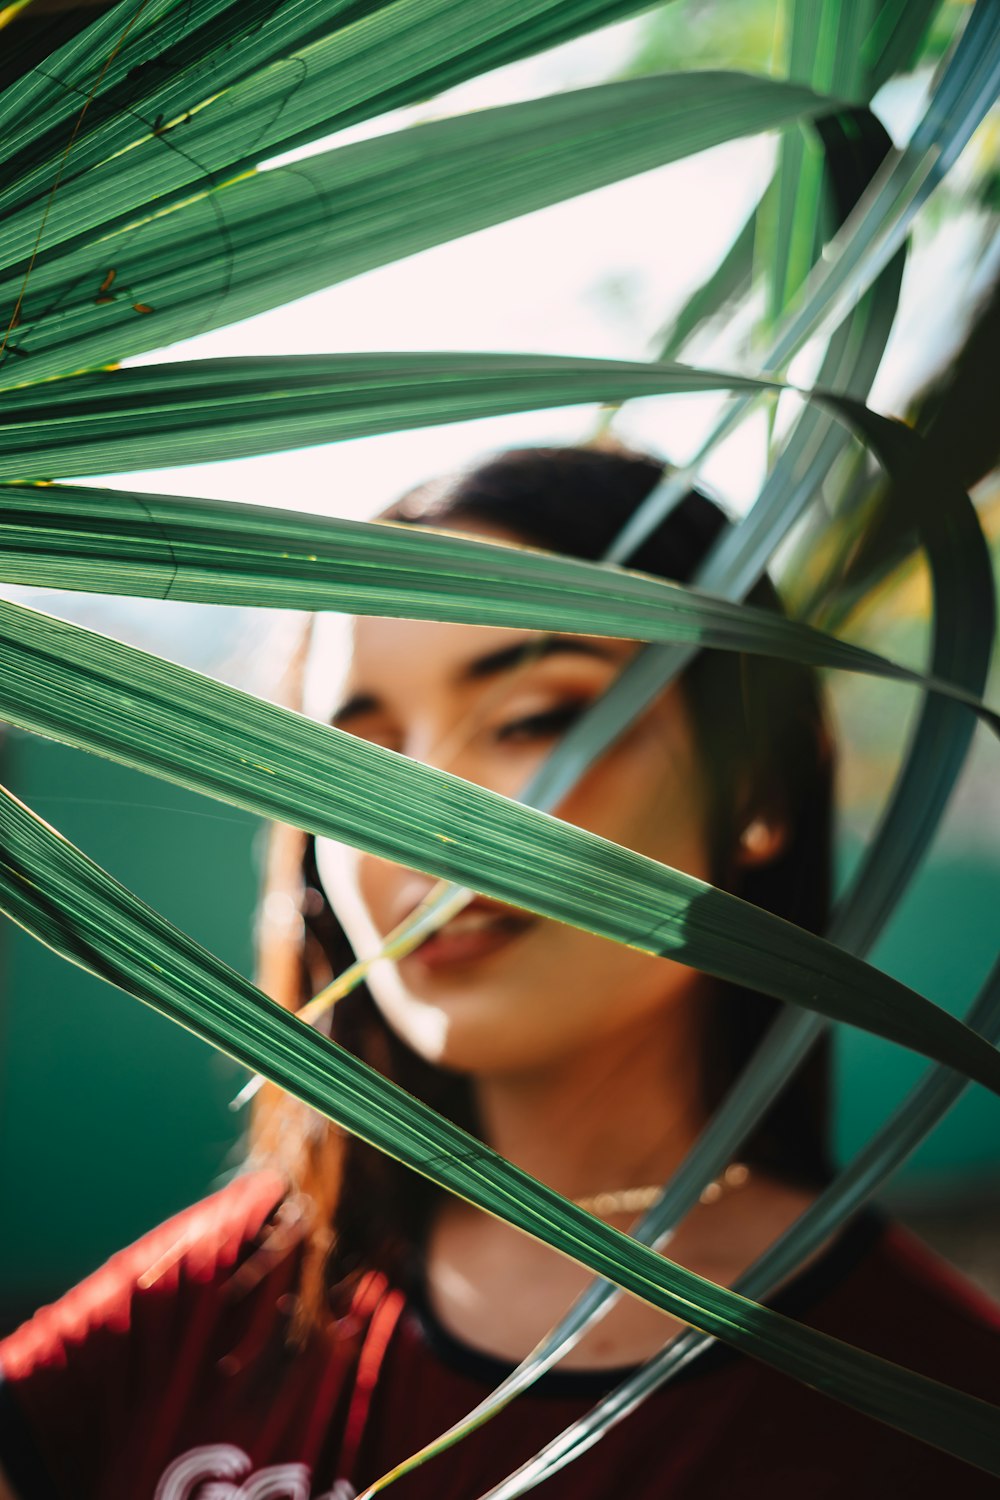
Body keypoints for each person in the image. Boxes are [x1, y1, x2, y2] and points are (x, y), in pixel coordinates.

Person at [0, 444, 998, 1500]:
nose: (416, 822)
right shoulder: (206, 1306)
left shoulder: (938, 1411)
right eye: (355, 757)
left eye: (532, 721)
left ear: (754, 783)